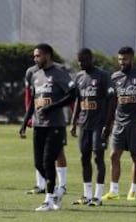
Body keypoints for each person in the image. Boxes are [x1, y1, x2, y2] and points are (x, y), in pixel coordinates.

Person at [19, 43, 75, 211]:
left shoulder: (59, 73)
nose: (36, 59)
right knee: (38, 163)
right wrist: (24, 123)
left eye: (39, 56)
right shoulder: (34, 74)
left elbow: (73, 94)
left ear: (48, 56)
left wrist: (53, 106)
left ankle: (49, 200)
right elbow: (33, 102)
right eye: (35, 56)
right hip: (38, 124)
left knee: (48, 161)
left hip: (55, 124)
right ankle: (56, 189)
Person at [102, 47, 136, 201]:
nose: (121, 62)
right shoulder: (115, 77)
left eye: (124, 59)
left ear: (131, 59)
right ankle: (114, 190)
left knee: (135, 156)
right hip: (119, 122)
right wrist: (109, 122)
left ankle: (133, 190)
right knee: (113, 155)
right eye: (119, 59)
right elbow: (112, 101)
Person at [70, 48, 114, 206]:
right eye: (79, 61)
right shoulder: (80, 77)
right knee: (84, 158)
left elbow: (111, 100)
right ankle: (86, 195)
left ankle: (98, 196)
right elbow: (78, 101)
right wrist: (74, 121)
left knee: (98, 158)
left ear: (91, 59)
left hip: (99, 124)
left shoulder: (103, 76)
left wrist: (108, 124)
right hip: (84, 124)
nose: (81, 63)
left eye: (84, 60)